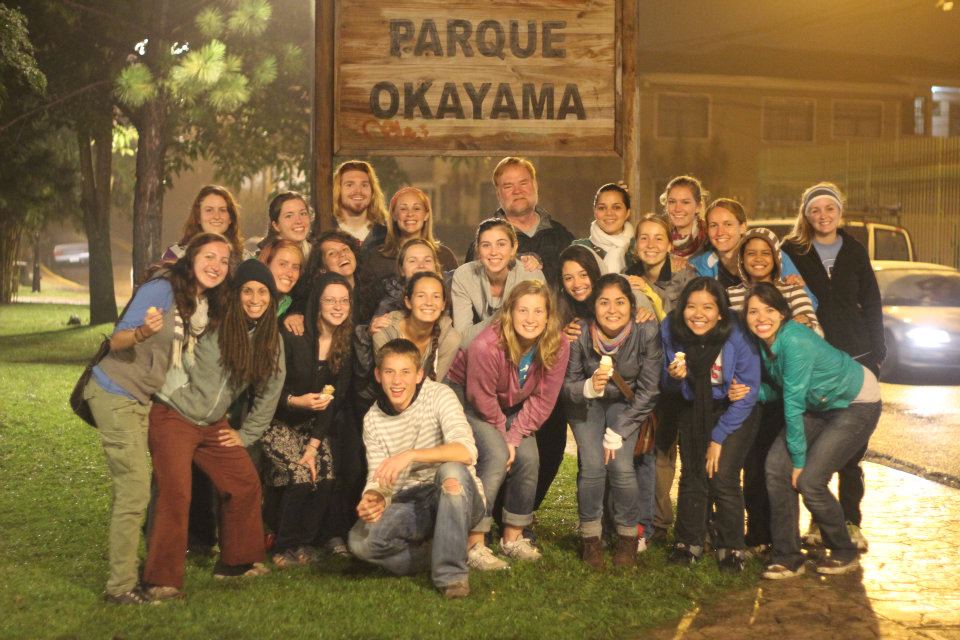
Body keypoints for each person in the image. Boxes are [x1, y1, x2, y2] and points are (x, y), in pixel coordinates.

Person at [83, 233, 231, 604]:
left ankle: (127, 577)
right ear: (191, 258)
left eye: (224, 260)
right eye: (209, 256)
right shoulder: (162, 288)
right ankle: (120, 587)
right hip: (116, 391)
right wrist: (142, 332)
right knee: (134, 490)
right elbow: (115, 340)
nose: (216, 265)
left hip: (140, 398)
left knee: (133, 489)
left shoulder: (196, 302)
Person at [143, 259, 286, 600]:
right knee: (176, 494)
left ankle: (236, 563)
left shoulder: (270, 339)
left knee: (243, 482)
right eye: (247, 291)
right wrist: (174, 391)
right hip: (174, 415)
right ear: (236, 295)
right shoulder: (214, 323)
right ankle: (160, 579)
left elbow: (270, 391)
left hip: (212, 425)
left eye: (262, 292)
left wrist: (246, 434)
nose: (255, 299)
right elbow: (177, 349)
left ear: (271, 298)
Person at [742, 283, 881, 578]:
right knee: (775, 466)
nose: (761, 318)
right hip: (818, 403)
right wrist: (751, 392)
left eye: (769, 310)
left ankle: (843, 549)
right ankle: (788, 555)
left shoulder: (794, 340)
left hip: (855, 402)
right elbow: (782, 388)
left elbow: (792, 403)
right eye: (753, 312)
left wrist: (799, 461)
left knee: (809, 480)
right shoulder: (764, 342)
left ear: (782, 313)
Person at [780, 182, 884, 551]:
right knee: (816, 449)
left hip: (857, 357)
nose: (823, 216)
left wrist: (877, 352)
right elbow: (776, 292)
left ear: (839, 212)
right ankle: (818, 522)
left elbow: (871, 301)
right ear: (805, 215)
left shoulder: (854, 249)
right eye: (815, 210)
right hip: (816, 358)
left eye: (829, 209)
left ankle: (851, 521)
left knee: (851, 454)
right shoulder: (792, 251)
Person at [446, 280, 570, 568]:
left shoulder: (558, 343)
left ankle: (513, 536)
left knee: (529, 456)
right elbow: (481, 398)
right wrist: (504, 438)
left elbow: (543, 399)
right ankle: (474, 541)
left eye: (538, 311)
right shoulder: (486, 345)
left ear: (548, 316)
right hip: (469, 399)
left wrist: (515, 437)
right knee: (496, 455)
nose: (530, 318)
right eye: (523, 310)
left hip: (513, 403)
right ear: (510, 313)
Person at [348, 339, 485, 599]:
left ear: (419, 374)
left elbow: (466, 451)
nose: (397, 381)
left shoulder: (439, 395)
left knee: (451, 472)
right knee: (359, 542)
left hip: (455, 496)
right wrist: (374, 497)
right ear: (378, 375)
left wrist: (410, 456)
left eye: (405, 372)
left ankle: (451, 577)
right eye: (389, 372)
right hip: (411, 501)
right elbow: (378, 475)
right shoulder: (373, 419)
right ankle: (443, 550)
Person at [562, 274, 662, 568]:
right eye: (604, 302)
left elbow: (649, 389)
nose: (612, 309)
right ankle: (591, 538)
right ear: (593, 306)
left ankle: (628, 536)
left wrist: (620, 429)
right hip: (587, 403)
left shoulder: (646, 330)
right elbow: (567, 385)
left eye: (620, 302)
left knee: (621, 466)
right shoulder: (580, 332)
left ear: (631, 305)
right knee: (593, 466)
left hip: (626, 405)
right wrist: (588, 387)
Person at [661, 277, 760, 571]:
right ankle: (689, 541)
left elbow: (748, 390)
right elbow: (668, 386)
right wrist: (675, 378)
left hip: (734, 410)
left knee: (723, 476)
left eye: (708, 307)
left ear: (720, 312)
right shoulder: (671, 329)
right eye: (691, 306)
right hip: (692, 406)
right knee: (693, 474)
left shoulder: (737, 332)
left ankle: (731, 545)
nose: (698, 314)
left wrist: (718, 437)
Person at [262, 273, 353, 567]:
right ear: (317, 303)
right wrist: (295, 401)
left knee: (325, 475)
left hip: (311, 427)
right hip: (277, 421)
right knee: (301, 476)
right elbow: (266, 390)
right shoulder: (294, 335)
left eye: (343, 301)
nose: (337, 306)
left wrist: (313, 446)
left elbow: (334, 400)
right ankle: (282, 546)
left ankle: (304, 542)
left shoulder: (344, 344)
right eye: (330, 300)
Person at [624, 213, 696, 540]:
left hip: (682, 372)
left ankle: (682, 526)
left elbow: (688, 320)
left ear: (670, 245)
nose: (651, 244)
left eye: (658, 238)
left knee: (677, 452)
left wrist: (651, 295)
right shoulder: (629, 277)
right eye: (644, 237)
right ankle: (656, 522)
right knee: (653, 449)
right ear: (635, 245)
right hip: (647, 374)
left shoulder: (686, 275)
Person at [464, 156, 573, 287]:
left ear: (535, 185)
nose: (517, 191)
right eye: (508, 186)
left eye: (523, 183)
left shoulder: (561, 236)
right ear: (498, 194)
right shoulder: (483, 246)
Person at [691, 198, 814, 303]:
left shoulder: (772, 256)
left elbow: (809, 303)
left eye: (728, 224)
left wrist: (797, 288)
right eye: (713, 225)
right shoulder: (700, 266)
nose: (720, 232)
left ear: (742, 227)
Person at [357, 271, 460, 390]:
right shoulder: (384, 331)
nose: (429, 302)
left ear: (443, 305)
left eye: (436, 296)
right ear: (408, 302)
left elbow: (433, 385)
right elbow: (390, 383)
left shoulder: (449, 338)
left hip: (426, 396)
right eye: (421, 296)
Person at [451, 217, 545, 347]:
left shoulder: (531, 274)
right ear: (478, 249)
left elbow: (542, 330)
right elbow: (462, 340)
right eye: (486, 245)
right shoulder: (464, 275)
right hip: (483, 349)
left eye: (501, 244)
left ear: (513, 247)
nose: (493, 252)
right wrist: (504, 314)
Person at [726, 228, 822, 336]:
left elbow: (817, 334)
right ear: (741, 258)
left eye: (766, 253)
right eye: (751, 253)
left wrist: (808, 324)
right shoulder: (730, 294)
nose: (758, 258)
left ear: (776, 258)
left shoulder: (793, 291)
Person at [362, 186, 458, 281]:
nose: (410, 214)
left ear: (426, 215)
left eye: (416, 208)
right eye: (403, 209)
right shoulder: (376, 258)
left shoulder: (445, 256)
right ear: (394, 215)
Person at [369, 238, 444, 325]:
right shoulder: (387, 302)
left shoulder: (449, 289)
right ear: (401, 270)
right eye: (412, 261)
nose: (421, 265)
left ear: (436, 267)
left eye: (427, 260)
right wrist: (370, 330)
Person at [162, 186, 244, 261]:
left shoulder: (244, 258)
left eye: (222, 210)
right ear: (198, 217)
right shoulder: (175, 254)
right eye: (209, 210)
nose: (216, 216)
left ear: (230, 218)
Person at [571, 183, 636, 274]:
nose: (609, 213)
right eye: (602, 208)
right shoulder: (580, 248)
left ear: (627, 213)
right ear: (595, 212)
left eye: (616, 207)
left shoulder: (639, 248)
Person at [329, 160, 389, 248]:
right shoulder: (325, 231)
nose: (358, 191)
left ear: (372, 191)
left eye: (364, 185)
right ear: (338, 190)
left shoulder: (388, 234)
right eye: (350, 185)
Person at [661, 176, 709, 269]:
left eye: (685, 202)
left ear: (698, 206)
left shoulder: (711, 239)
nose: (677, 209)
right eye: (672, 202)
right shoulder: (660, 240)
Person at [258, 191, 313, 258]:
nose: (298, 221)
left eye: (303, 213)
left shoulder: (318, 254)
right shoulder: (264, 259)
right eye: (289, 216)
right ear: (276, 225)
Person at [258, 239, 304, 317]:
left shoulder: (291, 306)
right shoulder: (247, 301)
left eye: (295, 267)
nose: (290, 274)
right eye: (282, 264)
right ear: (266, 265)